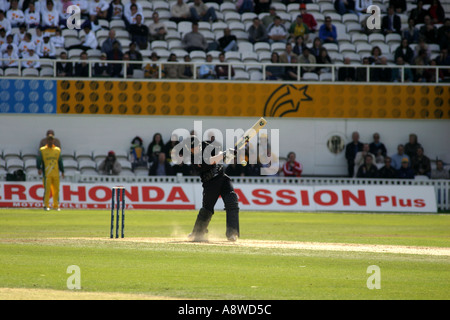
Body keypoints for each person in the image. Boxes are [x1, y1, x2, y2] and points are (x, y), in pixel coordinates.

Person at [185, 135, 240, 242]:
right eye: (192, 148)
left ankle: (232, 233)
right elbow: (210, 161)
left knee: (232, 201)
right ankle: (197, 233)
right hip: (210, 183)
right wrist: (225, 154)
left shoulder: (207, 145)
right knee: (207, 209)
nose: (194, 149)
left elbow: (218, 155)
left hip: (222, 177)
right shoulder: (194, 158)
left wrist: (228, 154)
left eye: (195, 146)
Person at [37, 135, 64, 211]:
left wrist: (62, 171)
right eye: (49, 140)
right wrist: (38, 168)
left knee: (56, 190)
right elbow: (38, 160)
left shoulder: (57, 150)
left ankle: (56, 205)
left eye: (51, 140)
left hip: (56, 174)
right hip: (47, 174)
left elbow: (60, 161)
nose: (50, 141)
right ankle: (46, 205)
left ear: (53, 141)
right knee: (47, 190)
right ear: (46, 141)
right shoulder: (42, 150)